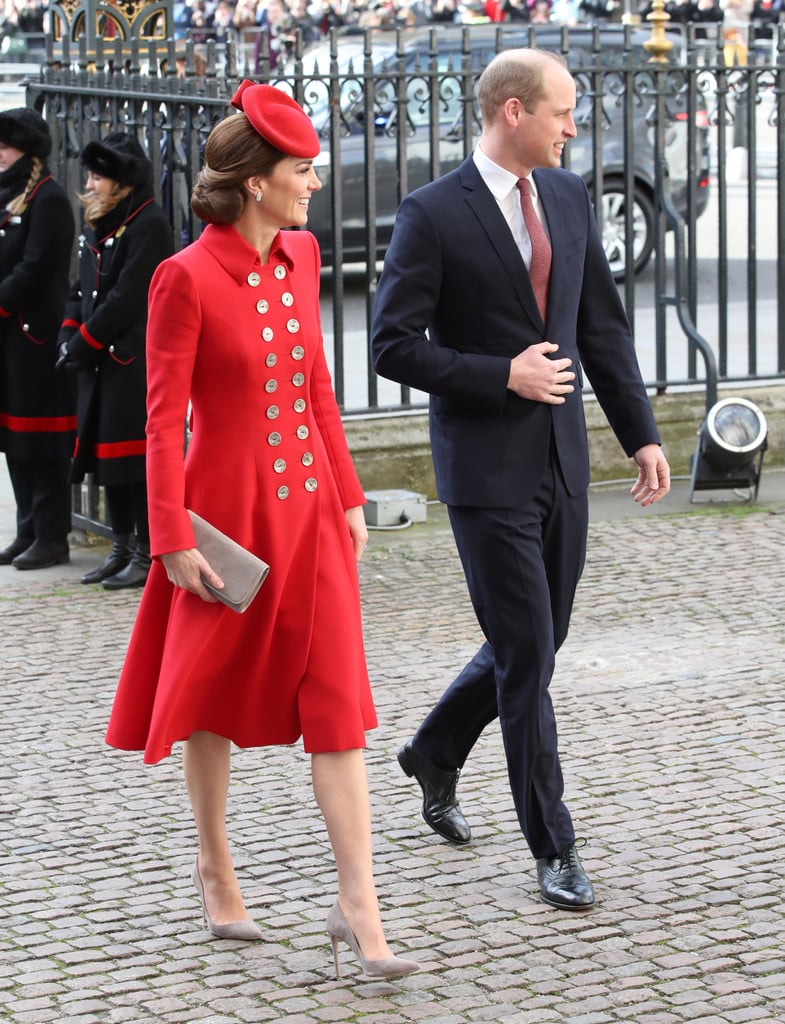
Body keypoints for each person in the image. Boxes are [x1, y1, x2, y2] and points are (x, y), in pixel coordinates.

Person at [104, 82, 419, 981]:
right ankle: (215, 869)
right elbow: (163, 422)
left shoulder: (304, 254)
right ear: (254, 183)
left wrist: (352, 495)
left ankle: (358, 905)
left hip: (311, 516)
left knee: (336, 705)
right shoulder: (183, 277)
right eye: (301, 170)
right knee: (208, 696)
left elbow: (317, 386)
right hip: (223, 521)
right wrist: (170, 539)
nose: (313, 182)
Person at [371, 48, 670, 912]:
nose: (574, 128)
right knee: (529, 654)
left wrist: (641, 438)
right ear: (512, 111)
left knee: (536, 641)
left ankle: (433, 749)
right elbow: (392, 346)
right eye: (562, 111)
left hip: (562, 464)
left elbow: (601, 330)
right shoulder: (432, 214)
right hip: (483, 474)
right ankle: (554, 847)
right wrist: (499, 373)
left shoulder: (571, 199)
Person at [57, 133, 173, 589]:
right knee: (108, 464)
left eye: (98, 176)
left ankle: (146, 552)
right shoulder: (101, 220)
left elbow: (127, 297)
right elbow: (80, 286)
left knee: (135, 465)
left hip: (128, 361)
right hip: (97, 361)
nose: (90, 183)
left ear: (121, 182)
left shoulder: (149, 223)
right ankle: (121, 548)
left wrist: (85, 340)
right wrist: (70, 333)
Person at [0, 107, 76, 570]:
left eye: (4, 148)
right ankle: (27, 528)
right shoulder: (9, 196)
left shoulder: (47, 199)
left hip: (35, 335)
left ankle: (52, 535)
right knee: (13, 441)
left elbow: (34, 268)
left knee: (42, 443)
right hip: (9, 338)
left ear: (25, 152)